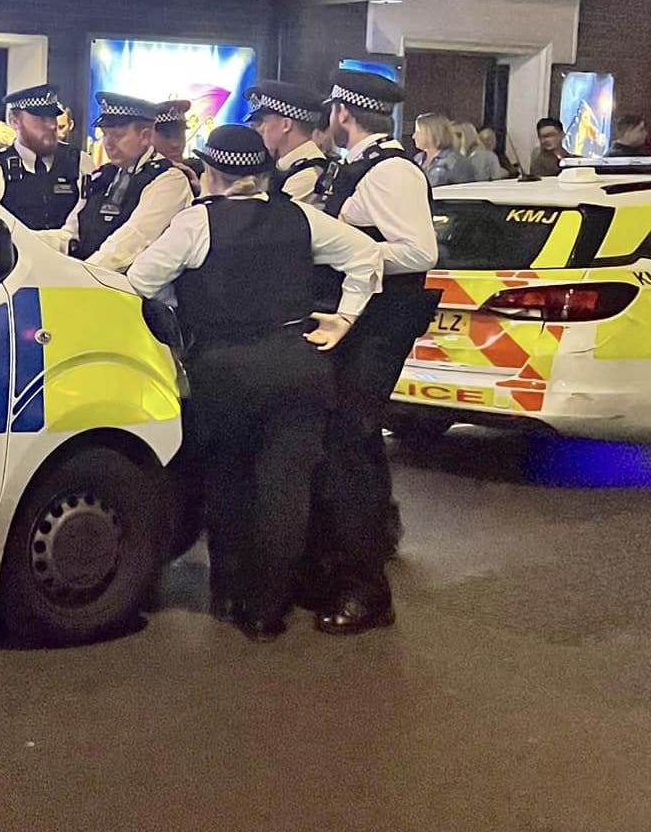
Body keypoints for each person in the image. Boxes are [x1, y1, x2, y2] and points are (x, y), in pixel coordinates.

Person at [128, 125, 383, 639]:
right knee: (285, 489)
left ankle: (229, 594)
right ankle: (269, 610)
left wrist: (182, 318)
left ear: (213, 173)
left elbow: (141, 281)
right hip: (298, 365)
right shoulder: (300, 216)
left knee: (228, 482)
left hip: (223, 370)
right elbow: (367, 256)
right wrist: (345, 318)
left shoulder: (196, 223)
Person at [307, 69, 439, 635]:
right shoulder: (360, 165)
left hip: (378, 321)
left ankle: (366, 589)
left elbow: (419, 250)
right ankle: (372, 539)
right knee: (354, 437)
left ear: (343, 113)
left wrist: (353, 253)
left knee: (347, 442)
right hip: (361, 319)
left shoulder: (389, 171)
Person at [46, 93, 193, 271]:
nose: (108, 143)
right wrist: (25, 241)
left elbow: (131, 243)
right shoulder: (103, 176)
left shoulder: (169, 180)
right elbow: (71, 234)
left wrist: (81, 277)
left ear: (145, 136)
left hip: (132, 293)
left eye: (118, 135)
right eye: (105, 135)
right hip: (93, 284)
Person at [0, 85, 83, 231]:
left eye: (53, 117)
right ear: (14, 121)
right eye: (41, 118)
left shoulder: (78, 162)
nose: (51, 125)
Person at [247, 81, 333, 202]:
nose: (259, 130)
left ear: (286, 125)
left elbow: (268, 217)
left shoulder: (307, 175)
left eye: (263, 122)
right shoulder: (282, 166)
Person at [152, 100, 204, 191]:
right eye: (167, 136)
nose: (175, 144)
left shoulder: (201, 171)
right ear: (149, 136)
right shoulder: (140, 176)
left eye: (179, 135)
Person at [412, 113, 466, 188]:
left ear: (432, 133)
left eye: (418, 132)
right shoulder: (417, 159)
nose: (414, 136)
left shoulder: (455, 161)